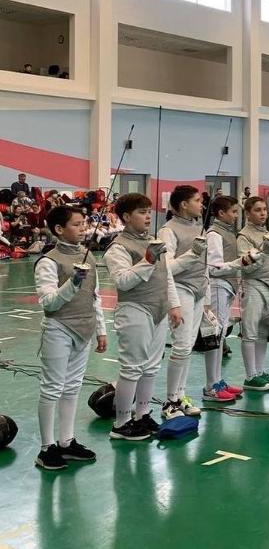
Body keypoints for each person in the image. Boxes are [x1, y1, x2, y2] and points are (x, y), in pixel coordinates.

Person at [33, 205, 107, 470]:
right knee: (52, 388)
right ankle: (46, 448)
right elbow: (49, 303)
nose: (83, 228)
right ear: (59, 229)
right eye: (76, 224)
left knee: (73, 387)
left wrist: (101, 329)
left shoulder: (89, 258)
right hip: (59, 329)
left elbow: (94, 296)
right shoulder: (48, 261)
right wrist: (73, 282)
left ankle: (66, 441)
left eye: (83, 223)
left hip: (84, 330)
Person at [104, 193, 182, 441]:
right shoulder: (117, 248)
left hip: (159, 310)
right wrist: (148, 259)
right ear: (126, 217)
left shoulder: (153, 242)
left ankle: (142, 415)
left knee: (151, 367)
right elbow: (123, 281)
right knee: (132, 368)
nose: (148, 216)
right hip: (135, 309)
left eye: (148, 211)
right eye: (141, 212)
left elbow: (166, 276)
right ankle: (121, 423)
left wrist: (174, 305)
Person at [158, 185, 210, 419]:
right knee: (180, 346)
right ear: (183, 205)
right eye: (197, 200)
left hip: (198, 291)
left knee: (188, 346)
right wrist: (192, 254)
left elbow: (204, 265)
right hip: (180, 290)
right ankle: (170, 401)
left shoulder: (199, 227)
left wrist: (207, 298)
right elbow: (166, 268)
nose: (202, 204)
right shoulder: (168, 230)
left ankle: (180, 396)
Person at [205, 196, 247, 402]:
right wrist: (240, 263)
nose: (236, 215)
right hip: (217, 286)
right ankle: (211, 387)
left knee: (220, 336)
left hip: (227, 285)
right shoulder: (214, 234)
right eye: (233, 212)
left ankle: (218, 381)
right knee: (215, 336)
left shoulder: (228, 231)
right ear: (221, 213)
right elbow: (213, 267)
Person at [237, 197, 269, 391]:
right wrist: (264, 252)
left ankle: (259, 371)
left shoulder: (268, 234)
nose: (263, 213)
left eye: (264, 210)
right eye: (257, 210)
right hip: (253, 285)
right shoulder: (244, 236)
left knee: (263, 332)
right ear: (247, 213)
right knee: (250, 331)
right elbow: (246, 267)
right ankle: (250, 376)